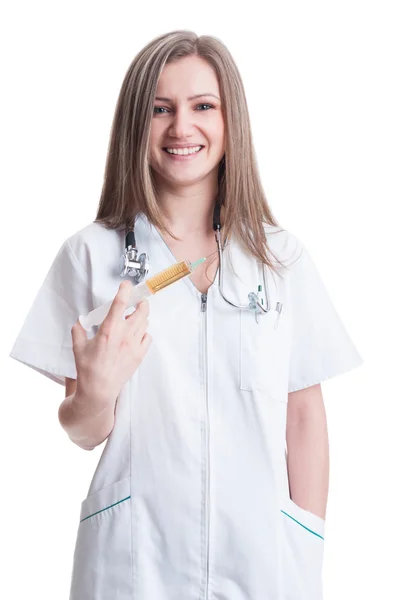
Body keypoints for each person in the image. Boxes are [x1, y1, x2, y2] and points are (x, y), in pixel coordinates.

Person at [9, 30, 363, 600]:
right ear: (136, 123)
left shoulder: (280, 259)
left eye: (203, 106)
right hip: (135, 559)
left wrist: (305, 538)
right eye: (160, 109)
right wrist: (96, 393)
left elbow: (304, 416)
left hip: (264, 560)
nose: (182, 128)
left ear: (231, 122)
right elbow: (80, 429)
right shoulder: (92, 255)